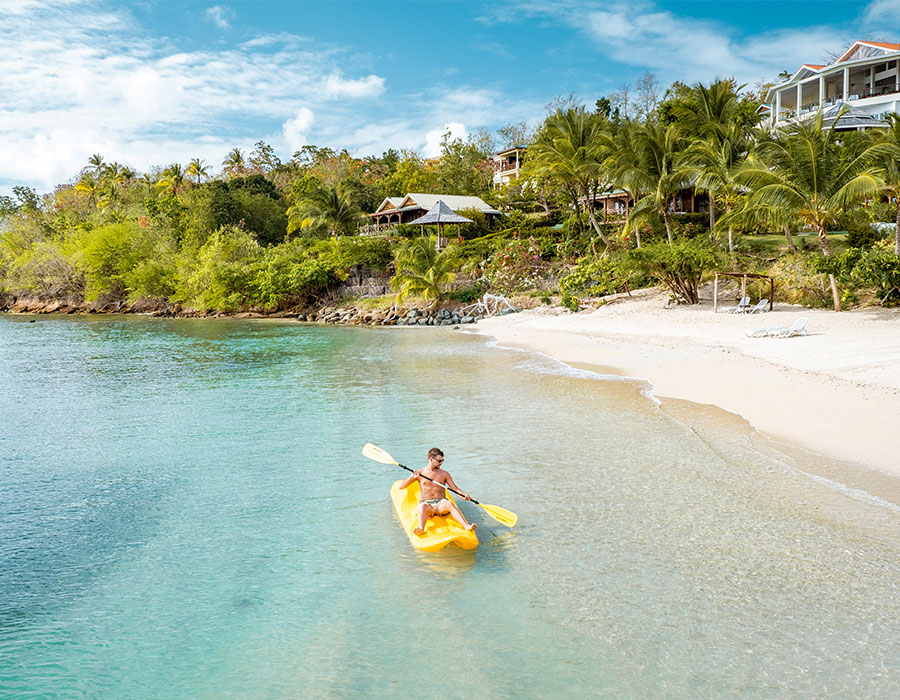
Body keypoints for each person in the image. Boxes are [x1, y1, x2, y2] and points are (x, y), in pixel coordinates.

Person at [398, 447, 476, 535]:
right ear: (431, 459)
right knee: (422, 506)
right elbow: (401, 486)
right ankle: (421, 529)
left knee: (449, 503)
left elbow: (455, 489)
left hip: (440, 504)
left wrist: (464, 496)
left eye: (442, 461)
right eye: (439, 461)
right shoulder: (420, 473)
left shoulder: (444, 474)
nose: (441, 463)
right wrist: (412, 477)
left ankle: (466, 526)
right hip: (427, 504)